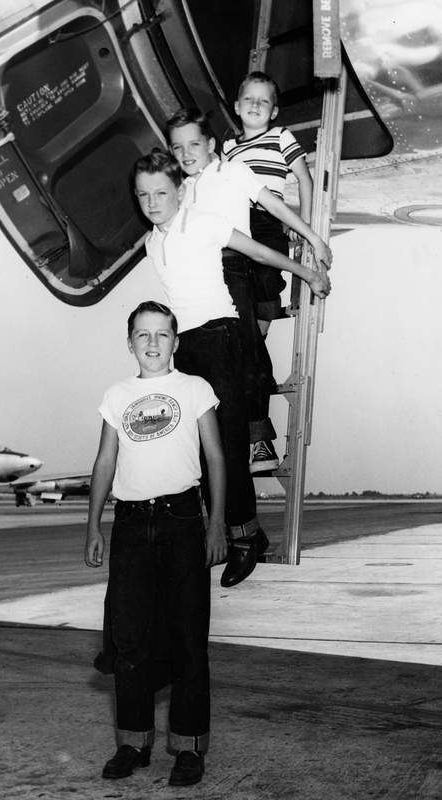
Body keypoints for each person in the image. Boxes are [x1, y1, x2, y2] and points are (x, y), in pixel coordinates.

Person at [131, 151, 330, 588]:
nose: (152, 202)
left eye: (161, 192)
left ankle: (243, 541)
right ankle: (244, 534)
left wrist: (307, 272)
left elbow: (257, 249)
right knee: (202, 448)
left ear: (179, 191)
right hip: (188, 347)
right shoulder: (152, 242)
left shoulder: (202, 221)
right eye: (143, 194)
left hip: (222, 336)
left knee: (227, 441)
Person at [84, 300, 227, 787]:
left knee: (189, 637)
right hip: (130, 526)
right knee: (129, 641)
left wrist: (216, 525)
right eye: (142, 335)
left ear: (176, 342)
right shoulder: (117, 394)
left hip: (182, 521)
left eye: (162, 334)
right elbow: (105, 461)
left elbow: (216, 458)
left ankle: (188, 748)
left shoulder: (194, 389)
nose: (152, 343)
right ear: (130, 343)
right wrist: (93, 525)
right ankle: (132, 742)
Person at [165, 107, 331, 475]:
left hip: (233, 266)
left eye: (194, 144)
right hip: (198, 281)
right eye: (177, 148)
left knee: (249, 352)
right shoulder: (181, 189)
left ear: (212, 144)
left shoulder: (233, 170)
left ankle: (259, 441)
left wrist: (313, 239)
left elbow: (274, 205)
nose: (186, 153)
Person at [222, 71, 313, 334]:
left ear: (273, 112)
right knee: (234, 277)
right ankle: (242, 333)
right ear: (237, 107)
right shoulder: (229, 147)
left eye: (263, 101)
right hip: (236, 219)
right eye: (248, 98)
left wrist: (302, 222)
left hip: (267, 219)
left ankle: (260, 334)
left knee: (265, 275)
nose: (254, 104)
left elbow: (304, 179)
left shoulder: (280, 136)